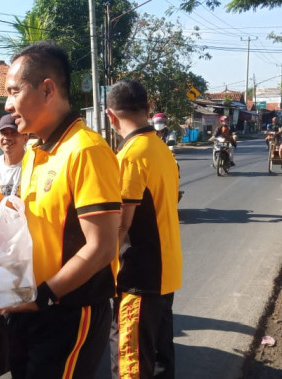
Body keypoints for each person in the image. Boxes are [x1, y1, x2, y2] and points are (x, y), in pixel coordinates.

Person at [0, 41, 122, 379]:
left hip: (66, 311)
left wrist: (45, 296)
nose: (8, 104)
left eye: (13, 92)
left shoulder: (86, 151)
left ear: (47, 89)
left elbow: (102, 247)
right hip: (30, 305)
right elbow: (35, 221)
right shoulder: (35, 149)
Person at [105, 80, 183, 379]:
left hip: (138, 277)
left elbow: (122, 223)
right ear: (148, 110)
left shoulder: (130, 156)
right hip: (165, 273)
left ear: (110, 116)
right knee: (160, 361)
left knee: (132, 364)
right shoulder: (161, 150)